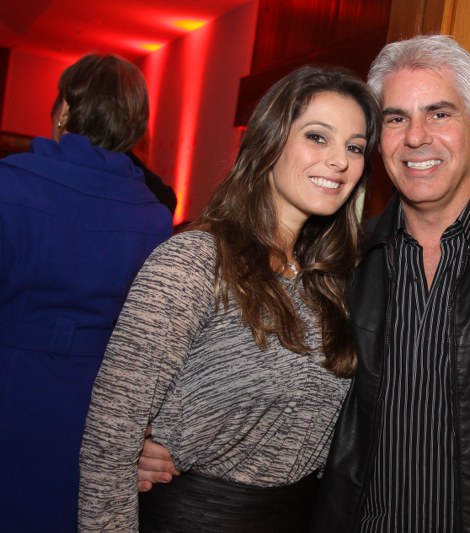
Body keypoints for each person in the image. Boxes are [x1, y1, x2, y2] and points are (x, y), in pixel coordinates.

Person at [138, 35, 470, 532]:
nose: (417, 137)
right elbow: (268, 389)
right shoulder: (333, 268)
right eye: (395, 118)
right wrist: (164, 440)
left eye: (439, 113)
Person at [78, 65, 382, 532]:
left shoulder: (331, 283)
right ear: (269, 140)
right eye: (317, 137)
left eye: (355, 147)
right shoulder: (194, 262)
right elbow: (109, 442)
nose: (339, 160)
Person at [0, 54, 173, 531]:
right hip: (98, 406)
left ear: (63, 110)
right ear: (135, 126)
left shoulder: (10, 184)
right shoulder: (154, 215)